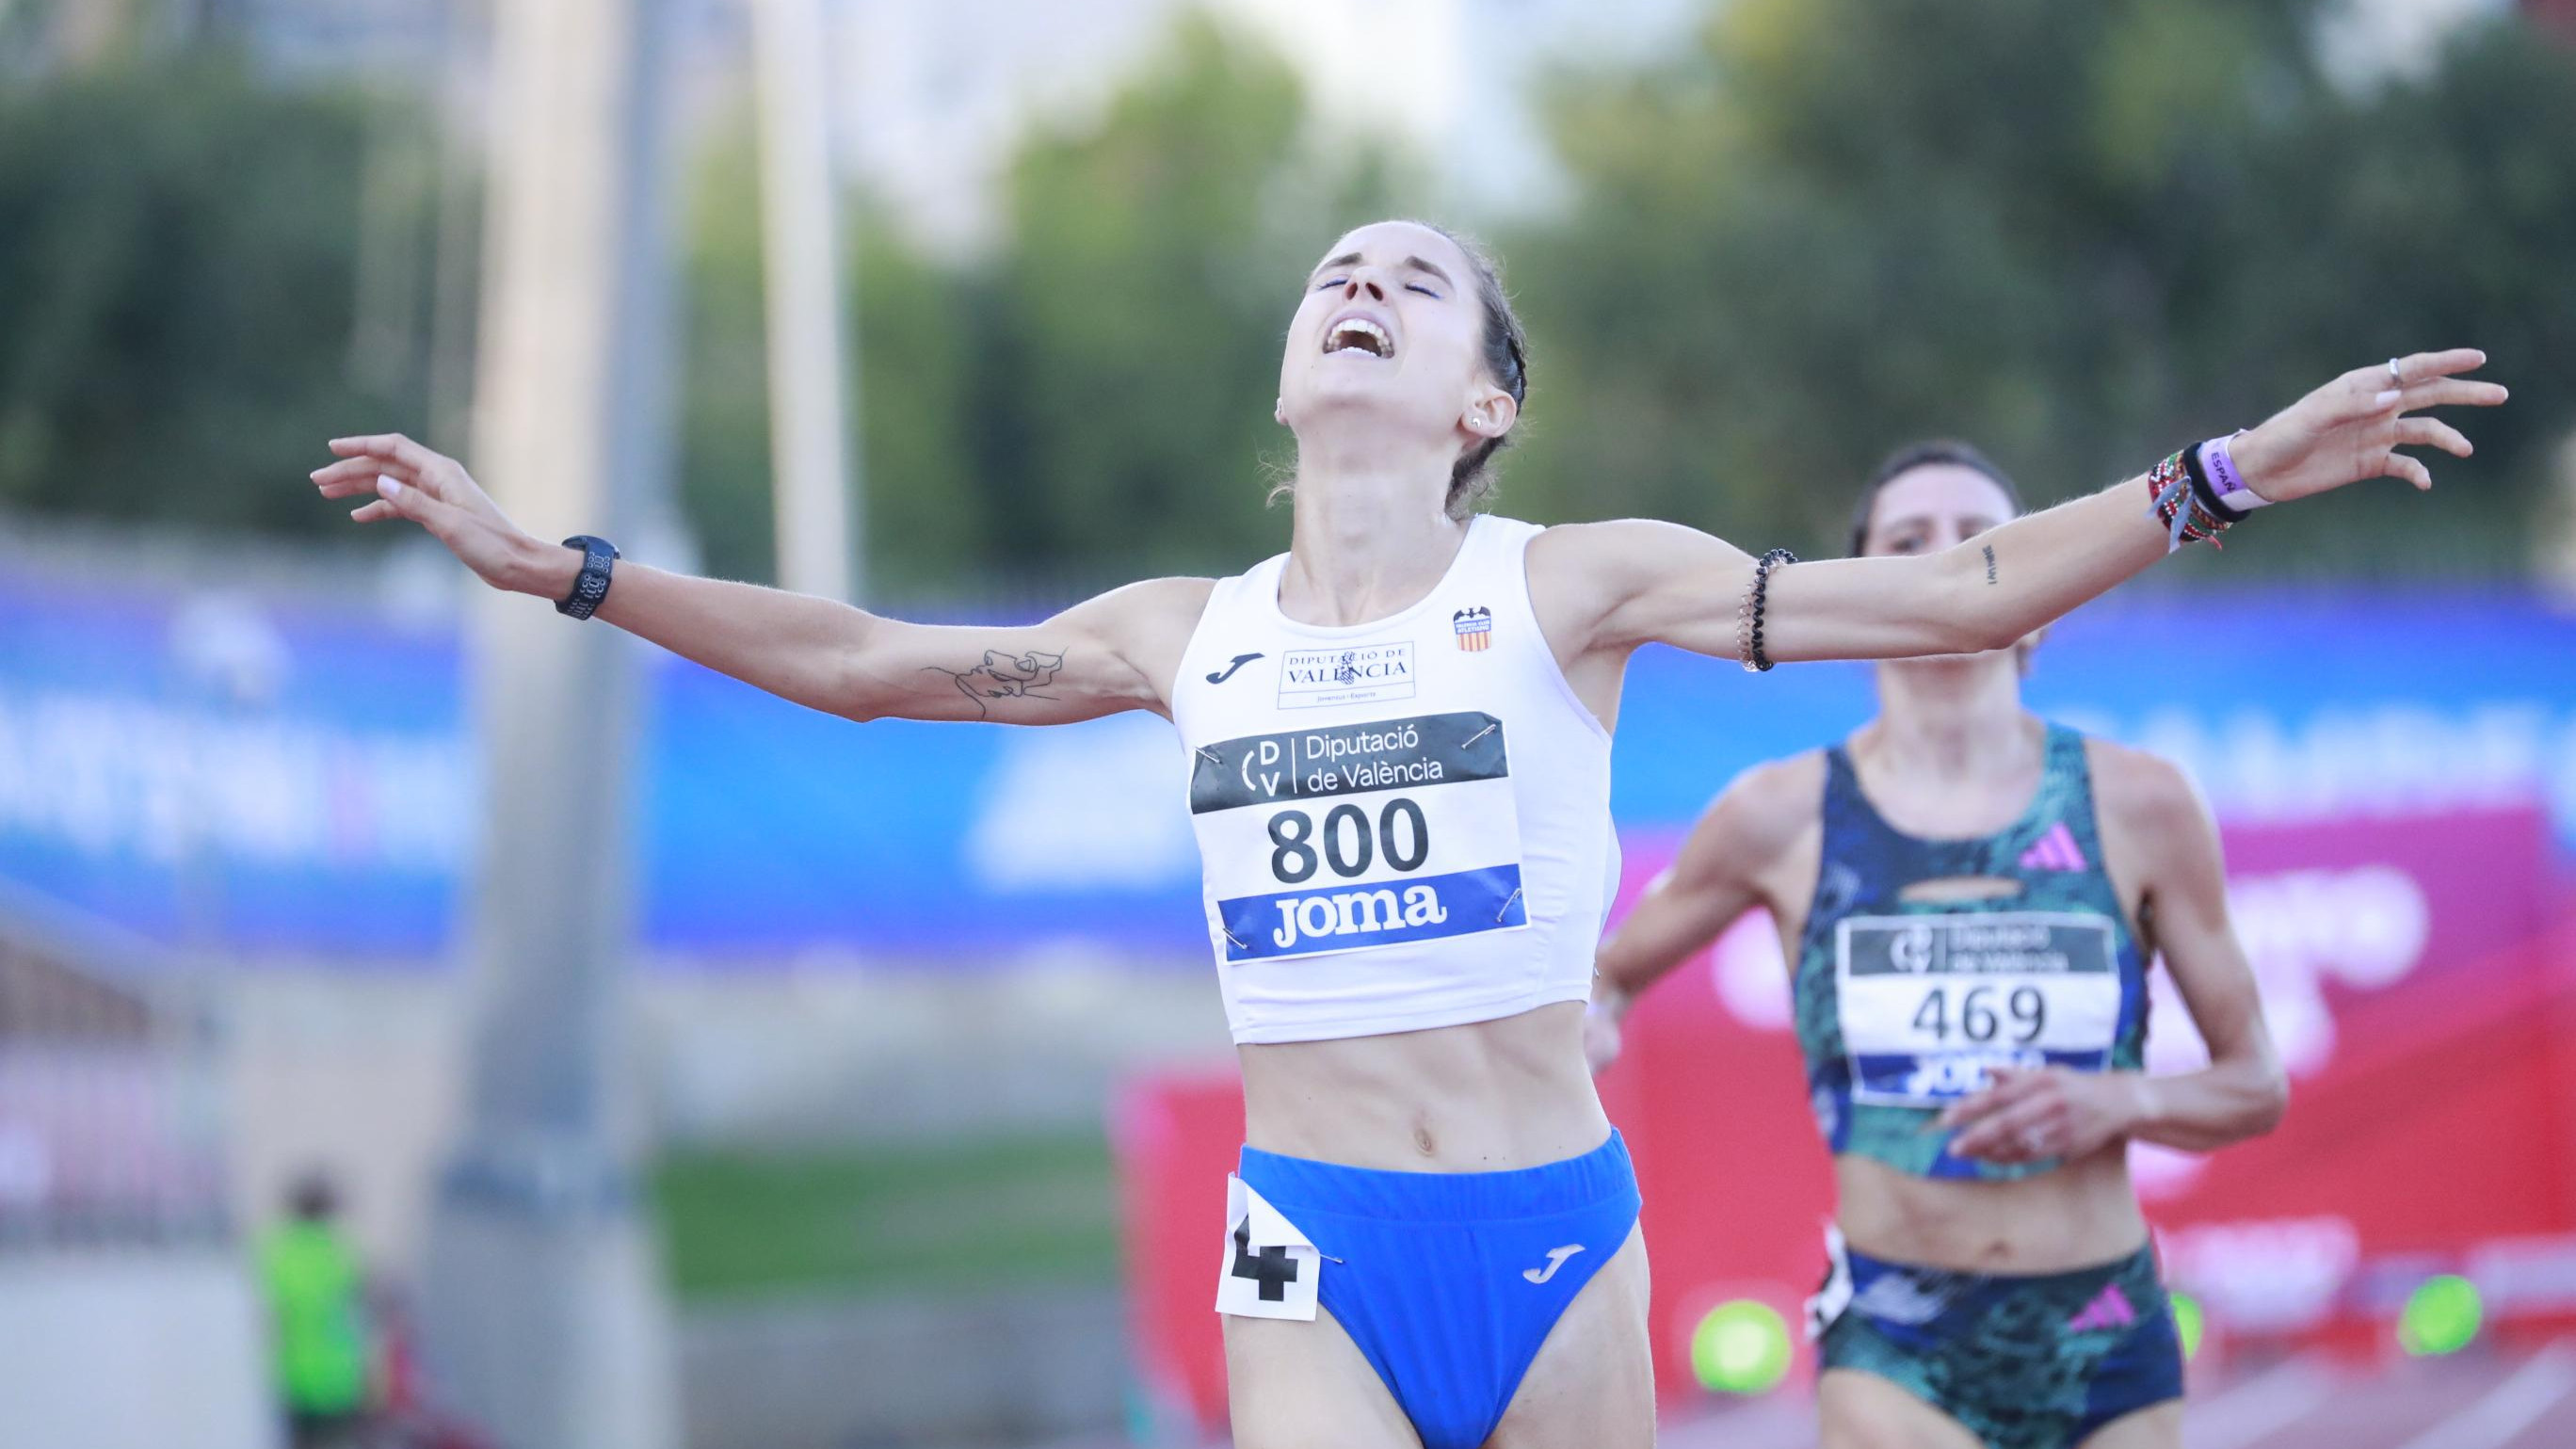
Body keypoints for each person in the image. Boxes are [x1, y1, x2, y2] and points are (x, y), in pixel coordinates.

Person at [312, 217, 2499, 1449]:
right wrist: (561, 565)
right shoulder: (1184, 634)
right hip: (1312, 1244)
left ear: (1481, 402)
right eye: (1328, 271)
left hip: (1555, 1234)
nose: (1354, 279)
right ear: (1288, 375)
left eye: (1413, 276)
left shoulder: (1572, 579)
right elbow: (872, 657)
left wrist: (2220, 470)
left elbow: (1950, 593)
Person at [1587, 441, 2300, 1448]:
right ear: (1864, 594)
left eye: (1983, 543)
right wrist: (1573, 1039)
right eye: (1910, 545)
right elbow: (1606, 983)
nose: (1950, 568)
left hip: (2103, 1335)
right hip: (1898, 1344)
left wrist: (2118, 1099)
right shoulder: (1777, 817)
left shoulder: (2141, 804)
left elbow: (2255, 1085)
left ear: (2046, 592)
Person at [259, 1171, 375, 1449]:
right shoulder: (342, 1254)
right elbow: (362, 1313)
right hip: (340, 1379)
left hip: (292, 1376)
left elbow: (271, 1316)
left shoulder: (278, 1255)